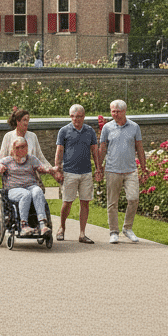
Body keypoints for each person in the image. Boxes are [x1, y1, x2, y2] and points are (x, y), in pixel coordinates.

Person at [98, 99, 146, 244]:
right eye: (113, 111)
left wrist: (144, 169)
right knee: (112, 203)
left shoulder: (134, 127)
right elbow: (102, 149)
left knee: (133, 199)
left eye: (117, 111)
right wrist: (98, 168)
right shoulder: (107, 128)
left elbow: (140, 148)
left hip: (130, 170)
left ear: (124, 111)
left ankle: (127, 228)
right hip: (112, 169)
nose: (115, 114)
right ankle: (114, 231)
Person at [54, 104, 101, 243]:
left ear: (83, 116)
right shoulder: (64, 131)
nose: (76, 119)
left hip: (86, 172)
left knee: (85, 203)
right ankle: (62, 228)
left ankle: (82, 233)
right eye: (73, 116)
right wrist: (57, 169)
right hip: (69, 172)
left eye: (79, 116)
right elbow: (59, 151)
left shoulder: (90, 131)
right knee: (67, 202)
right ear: (70, 117)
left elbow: (95, 151)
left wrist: (98, 169)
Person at [0, 137, 57, 238]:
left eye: (23, 147)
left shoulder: (32, 159)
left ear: (27, 147)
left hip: (30, 186)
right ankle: (23, 225)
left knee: (37, 190)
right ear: (13, 149)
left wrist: (49, 170)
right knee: (25, 194)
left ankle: (42, 225)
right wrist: (0, 167)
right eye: (17, 147)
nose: (20, 150)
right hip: (13, 189)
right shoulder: (7, 160)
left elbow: (41, 168)